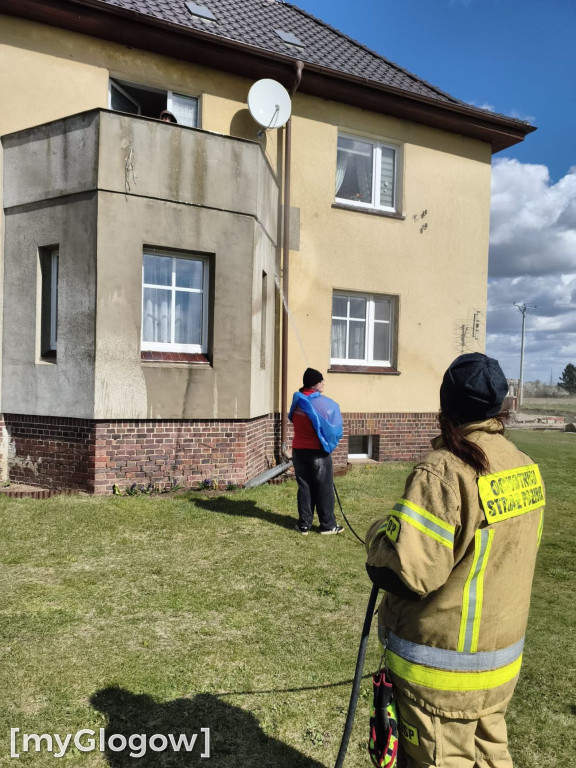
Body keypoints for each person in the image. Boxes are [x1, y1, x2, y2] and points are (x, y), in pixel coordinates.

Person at [365, 353, 545, 768]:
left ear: (445, 403)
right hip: (497, 671)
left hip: (439, 681)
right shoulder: (523, 466)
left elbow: (407, 573)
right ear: (499, 405)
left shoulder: (445, 471)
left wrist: (380, 535)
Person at [288, 368, 344, 535]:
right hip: (317, 452)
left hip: (299, 450)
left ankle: (304, 524)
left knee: (304, 487)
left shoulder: (297, 401)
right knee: (324, 488)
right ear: (315, 384)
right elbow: (334, 430)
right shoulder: (322, 404)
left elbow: (292, 418)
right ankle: (327, 525)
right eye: (321, 381)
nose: (323, 383)